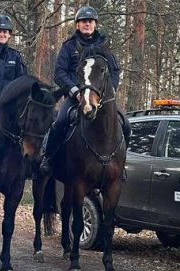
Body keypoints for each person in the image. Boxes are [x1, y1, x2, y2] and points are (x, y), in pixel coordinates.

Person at [38, 5, 129, 176]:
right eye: (83, 21)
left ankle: (121, 164)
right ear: (77, 25)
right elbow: (60, 73)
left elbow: (115, 71)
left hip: (101, 97)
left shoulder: (104, 45)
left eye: (90, 21)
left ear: (95, 24)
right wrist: (74, 91)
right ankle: (48, 159)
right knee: (60, 123)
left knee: (126, 124)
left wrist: (111, 90)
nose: (87, 24)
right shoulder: (69, 46)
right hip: (76, 96)